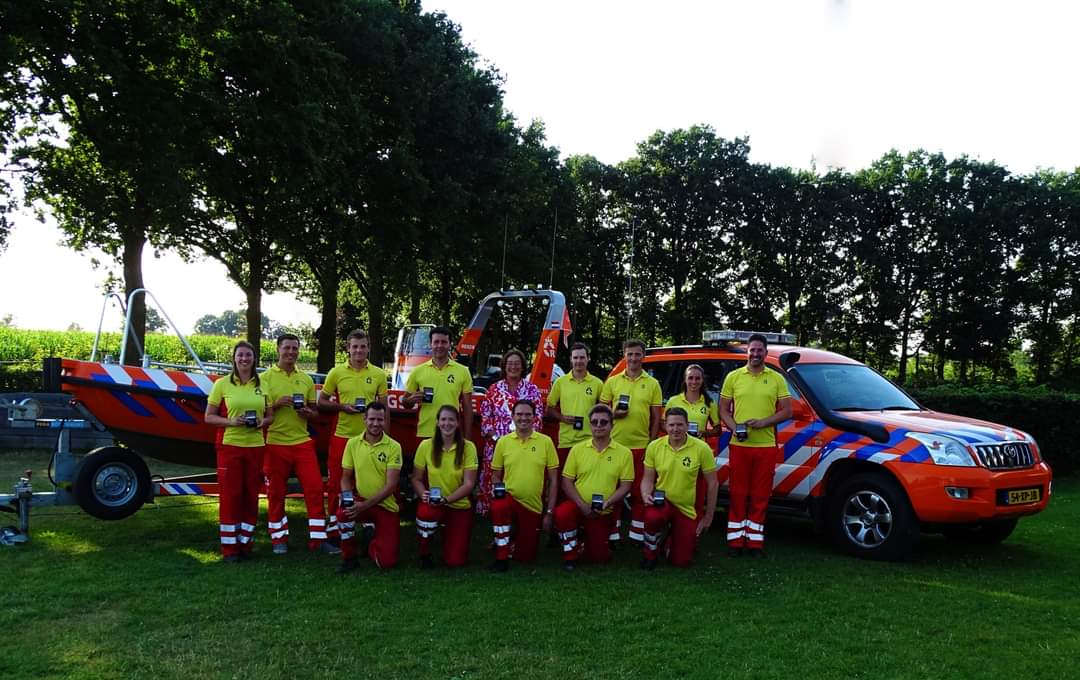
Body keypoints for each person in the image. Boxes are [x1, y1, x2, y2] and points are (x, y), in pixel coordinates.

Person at [262, 334, 337, 555]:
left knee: (315, 489)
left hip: (302, 443)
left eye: (295, 348)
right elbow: (258, 411)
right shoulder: (264, 378)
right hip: (275, 442)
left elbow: (315, 413)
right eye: (287, 348)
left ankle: (318, 539)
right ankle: (278, 539)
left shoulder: (306, 379)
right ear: (278, 349)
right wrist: (276, 405)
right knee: (276, 493)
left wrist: (308, 413)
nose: (291, 352)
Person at [719, 333, 792, 557]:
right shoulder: (733, 377)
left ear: (766, 353)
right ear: (747, 352)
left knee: (760, 496)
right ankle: (735, 542)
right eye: (752, 350)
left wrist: (762, 423)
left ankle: (754, 543)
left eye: (760, 350)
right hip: (739, 445)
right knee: (738, 494)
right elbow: (723, 410)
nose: (756, 354)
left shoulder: (777, 378)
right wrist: (735, 428)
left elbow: (787, 411)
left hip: (766, 445)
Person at [204, 341, 271, 563]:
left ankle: (246, 544)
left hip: (256, 447)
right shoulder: (222, 384)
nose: (244, 359)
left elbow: (270, 416)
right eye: (240, 355)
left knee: (251, 496)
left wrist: (262, 422)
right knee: (231, 496)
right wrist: (231, 422)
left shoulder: (263, 385)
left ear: (254, 358)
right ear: (234, 358)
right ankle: (230, 548)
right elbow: (208, 417)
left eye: (248, 355)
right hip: (230, 446)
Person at [318, 329, 387, 543]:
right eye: (355, 346)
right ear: (348, 348)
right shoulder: (336, 373)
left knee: (367, 482)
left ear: (368, 348)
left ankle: (368, 525)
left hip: (369, 439)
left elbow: (384, 408)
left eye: (363, 346)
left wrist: (387, 438)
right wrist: (341, 407)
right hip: (342, 436)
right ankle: (334, 529)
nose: (359, 350)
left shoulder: (378, 374)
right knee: (336, 484)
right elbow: (321, 402)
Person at [553, 404, 633, 571]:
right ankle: (570, 554)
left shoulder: (624, 453)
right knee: (562, 514)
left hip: (603, 510)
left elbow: (626, 486)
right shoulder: (577, 449)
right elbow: (566, 481)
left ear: (612, 425)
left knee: (599, 558)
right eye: (594, 422)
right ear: (589, 425)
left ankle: (585, 541)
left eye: (603, 422)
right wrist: (582, 506)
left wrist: (608, 502)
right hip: (578, 506)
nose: (598, 426)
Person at [600, 339, 662, 544]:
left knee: (638, 492)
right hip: (615, 445)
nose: (633, 358)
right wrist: (614, 413)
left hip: (641, 446)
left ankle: (637, 534)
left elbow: (656, 418)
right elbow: (601, 413)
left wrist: (651, 443)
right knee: (614, 491)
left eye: (637, 354)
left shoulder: (652, 383)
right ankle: (613, 533)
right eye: (630, 354)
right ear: (624, 355)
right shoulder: (612, 381)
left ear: (643, 356)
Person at [639, 407, 718, 569]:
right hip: (663, 502)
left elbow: (713, 483)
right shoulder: (654, 446)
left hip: (685, 507)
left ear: (687, 425)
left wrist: (708, 516)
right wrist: (645, 493)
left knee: (682, 561)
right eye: (671, 425)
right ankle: (650, 554)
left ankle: (668, 541)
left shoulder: (702, 448)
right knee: (652, 517)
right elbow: (647, 479)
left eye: (680, 425)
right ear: (665, 426)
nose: (675, 429)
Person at [489, 399, 559, 572]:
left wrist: (549, 512)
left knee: (526, 557)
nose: (523, 418)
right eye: (519, 414)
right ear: (512, 416)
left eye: (528, 414)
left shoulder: (546, 442)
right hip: (510, 499)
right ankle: (501, 557)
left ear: (535, 417)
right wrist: (498, 492)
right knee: (499, 507)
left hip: (533, 506)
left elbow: (553, 480)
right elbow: (495, 474)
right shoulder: (503, 442)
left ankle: (511, 541)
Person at [336, 402, 402, 572]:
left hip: (385, 506)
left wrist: (363, 506)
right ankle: (349, 557)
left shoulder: (394, 446)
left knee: (386, 563)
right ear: (364, 419)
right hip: (361, 501)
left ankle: (371, 542)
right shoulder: (352, 444)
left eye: (380, 420)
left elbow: (391, 486)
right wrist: (347, 498)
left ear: (385, 421)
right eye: (372, 419)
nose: (375, 423)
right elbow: (345, 477)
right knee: (343, 513)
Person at [411, 405, 478, 568]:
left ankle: (447, 537)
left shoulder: (468, 447)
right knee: (425, 513)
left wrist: (447, 500)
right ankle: (425, 552)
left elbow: (469, 484)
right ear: (437, 422)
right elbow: (416, 479)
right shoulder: (425, 445)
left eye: (451, 420)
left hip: (458, 505)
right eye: (443, 419)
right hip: (434, 504)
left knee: (455, 561)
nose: (447, 423)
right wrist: (423, 494)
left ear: (458, 423)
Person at [477, 348, 543, 515]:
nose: (513, 367)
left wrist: (523, 439)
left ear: (523, 367)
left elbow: (538, 418)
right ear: (504, 366)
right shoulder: (493, 389)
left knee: (520, 476)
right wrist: (496, 439)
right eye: (510, 363)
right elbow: (486, 418)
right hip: (497, 443)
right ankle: (491, 509)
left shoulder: (532, 389)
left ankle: (521, 510)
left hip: (523, 444)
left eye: (517, 363)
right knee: (494, 475)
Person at [546, 342, 604, 496]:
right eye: (576, 357)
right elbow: (549, 408)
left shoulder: (597, 383)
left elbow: (603, 411)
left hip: (590, 441)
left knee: (587, 481)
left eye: (582, 357)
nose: (579, 361)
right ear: (571, 359)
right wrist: (561, 417)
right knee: (564, 482)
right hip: (566, 441)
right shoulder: (561, 382)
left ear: (588, 359)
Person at [403, 325, 474, 441]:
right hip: (426, 432)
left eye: (444, 342)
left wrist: (468, 439)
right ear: (430, 344)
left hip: (452, 433)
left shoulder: (463, 371)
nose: (440, 345)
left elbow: (467, 409)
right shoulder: (418, 371)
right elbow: (405, 402)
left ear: (450, 344)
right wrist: (410, 400)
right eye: (436, 342)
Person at [663, 364, 721, 438]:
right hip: (677, 444)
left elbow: (718, 430)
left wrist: (704, 433)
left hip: (698, 444)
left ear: (702, 380)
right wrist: (676, 432)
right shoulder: (673, 401)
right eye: (690, 378)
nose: (694, 382)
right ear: (685, 379)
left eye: (697, 378)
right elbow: (662, 424)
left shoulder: (709, 403)